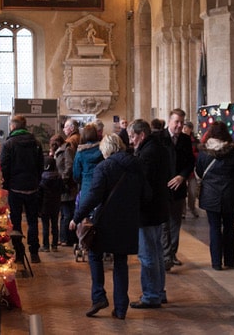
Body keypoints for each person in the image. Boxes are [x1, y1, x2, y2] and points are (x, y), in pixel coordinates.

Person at [69, 134, 151, 320]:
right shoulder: (137, 165)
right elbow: (147, 194)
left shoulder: (104, 167)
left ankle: (98, 296)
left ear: (106, 150)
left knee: (94, 254)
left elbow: (93, 196)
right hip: (128, 222)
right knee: (121, 263)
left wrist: (77, 217)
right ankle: (121, 308)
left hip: (105, 221)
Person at [127, 119, 170, 309]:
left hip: (148, 211)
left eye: (132, 136)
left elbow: (143, 185)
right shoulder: (159, 148)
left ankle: (151, 295)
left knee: (147, 254)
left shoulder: (147, 154)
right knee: (157, 252)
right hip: (158, 208)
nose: (130, 141)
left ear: (141, 135)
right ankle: (159, 291)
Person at [195, 121, 234, 270]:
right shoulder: (232, 151)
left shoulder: (204, 152)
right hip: (229, 193)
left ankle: (216, 263)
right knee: (229, 227)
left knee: (214, 228)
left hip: (210, 195)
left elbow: (199, 171)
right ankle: (230, 261)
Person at [153, 109, 195, 271]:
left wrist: (182, 176)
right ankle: (165, 256)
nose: (179, 125)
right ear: (169, 121)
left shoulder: (185, 139)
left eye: (181, 123)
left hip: (178, 187)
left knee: (175, 223)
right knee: (164, 223)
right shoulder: (158, 138)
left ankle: (172, 253)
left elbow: (190, 162)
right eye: (176, 122)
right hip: (163, 188)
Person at [0, 115, 44, 264]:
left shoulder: (8, 144)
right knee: (32, 221)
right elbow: (40, 166)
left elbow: (4, 167)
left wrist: (5, 186)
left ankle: (19, 254)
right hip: (32, 187)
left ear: (13, 126)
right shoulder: (36, 143)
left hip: (15, 188)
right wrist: (36, 182)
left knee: (16, 222)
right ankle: (34, 252)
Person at [51, 134, 78, 247]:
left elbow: (69, 166)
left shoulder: (66, 150)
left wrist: (63, 180)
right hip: (61, 186)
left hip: (66, 187)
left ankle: (67, 238)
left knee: (67, 213)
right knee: (64, 214)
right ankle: (64, 238)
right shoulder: (60, 151)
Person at [73, 124, 104, 209]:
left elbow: (76, 174)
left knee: (85, 214)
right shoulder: (102, 150)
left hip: (86, 186)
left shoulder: (80, 152)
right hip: (101, 185)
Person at [39, 157, 65, 252]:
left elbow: (39, 194)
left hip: (44, 205)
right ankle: (54, 245)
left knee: (45, 226)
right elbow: (63, 190)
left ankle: (45, 246)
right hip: (56, 204)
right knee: (55, 225)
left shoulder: (42, 179)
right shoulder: (58, 177)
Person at [183, 121, 200, 218]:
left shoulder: (195, 141)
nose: (184, 129)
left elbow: (199, 154)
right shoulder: (180, 139)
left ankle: (192, 208)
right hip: (182, 169)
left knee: (192, 191)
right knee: (182, 191)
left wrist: (192, 156)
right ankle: (182, 211)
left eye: (186, 128)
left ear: (191, 129)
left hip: (192, 169)